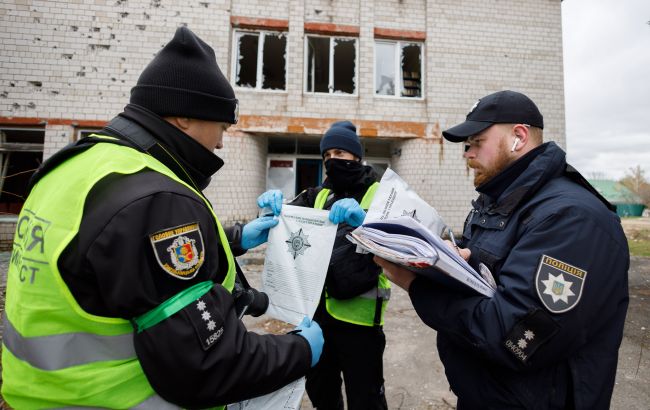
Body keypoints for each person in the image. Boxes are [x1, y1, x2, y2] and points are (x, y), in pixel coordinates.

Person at [1, 26, 323, 409]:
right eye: (221, 126)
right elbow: (204, 365)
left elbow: (117, 255)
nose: (221, 142)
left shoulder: (75, 165)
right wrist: (300, 350)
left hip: (37, 394)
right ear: (184, 117)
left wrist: (234, 239)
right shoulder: (158, 200)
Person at [374, 90, 629, 409]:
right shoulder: (499, 204)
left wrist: (417, 285)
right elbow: (484, 279)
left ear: (518, 137)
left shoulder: (572, 219)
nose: (467, 154)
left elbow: (514, 337)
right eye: (467, 146)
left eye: (477, 142)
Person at [258, 121, 390, 409]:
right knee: (322, 391)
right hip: (315, 317)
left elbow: (398, 237)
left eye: (341, 152)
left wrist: (365, 220)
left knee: (365, 397)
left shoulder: (380, 193)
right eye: (327, 154)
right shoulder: (317, 195)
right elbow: (284, 221)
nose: (333, 159)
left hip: (360, 321)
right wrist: (272, 208)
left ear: (357, 156)